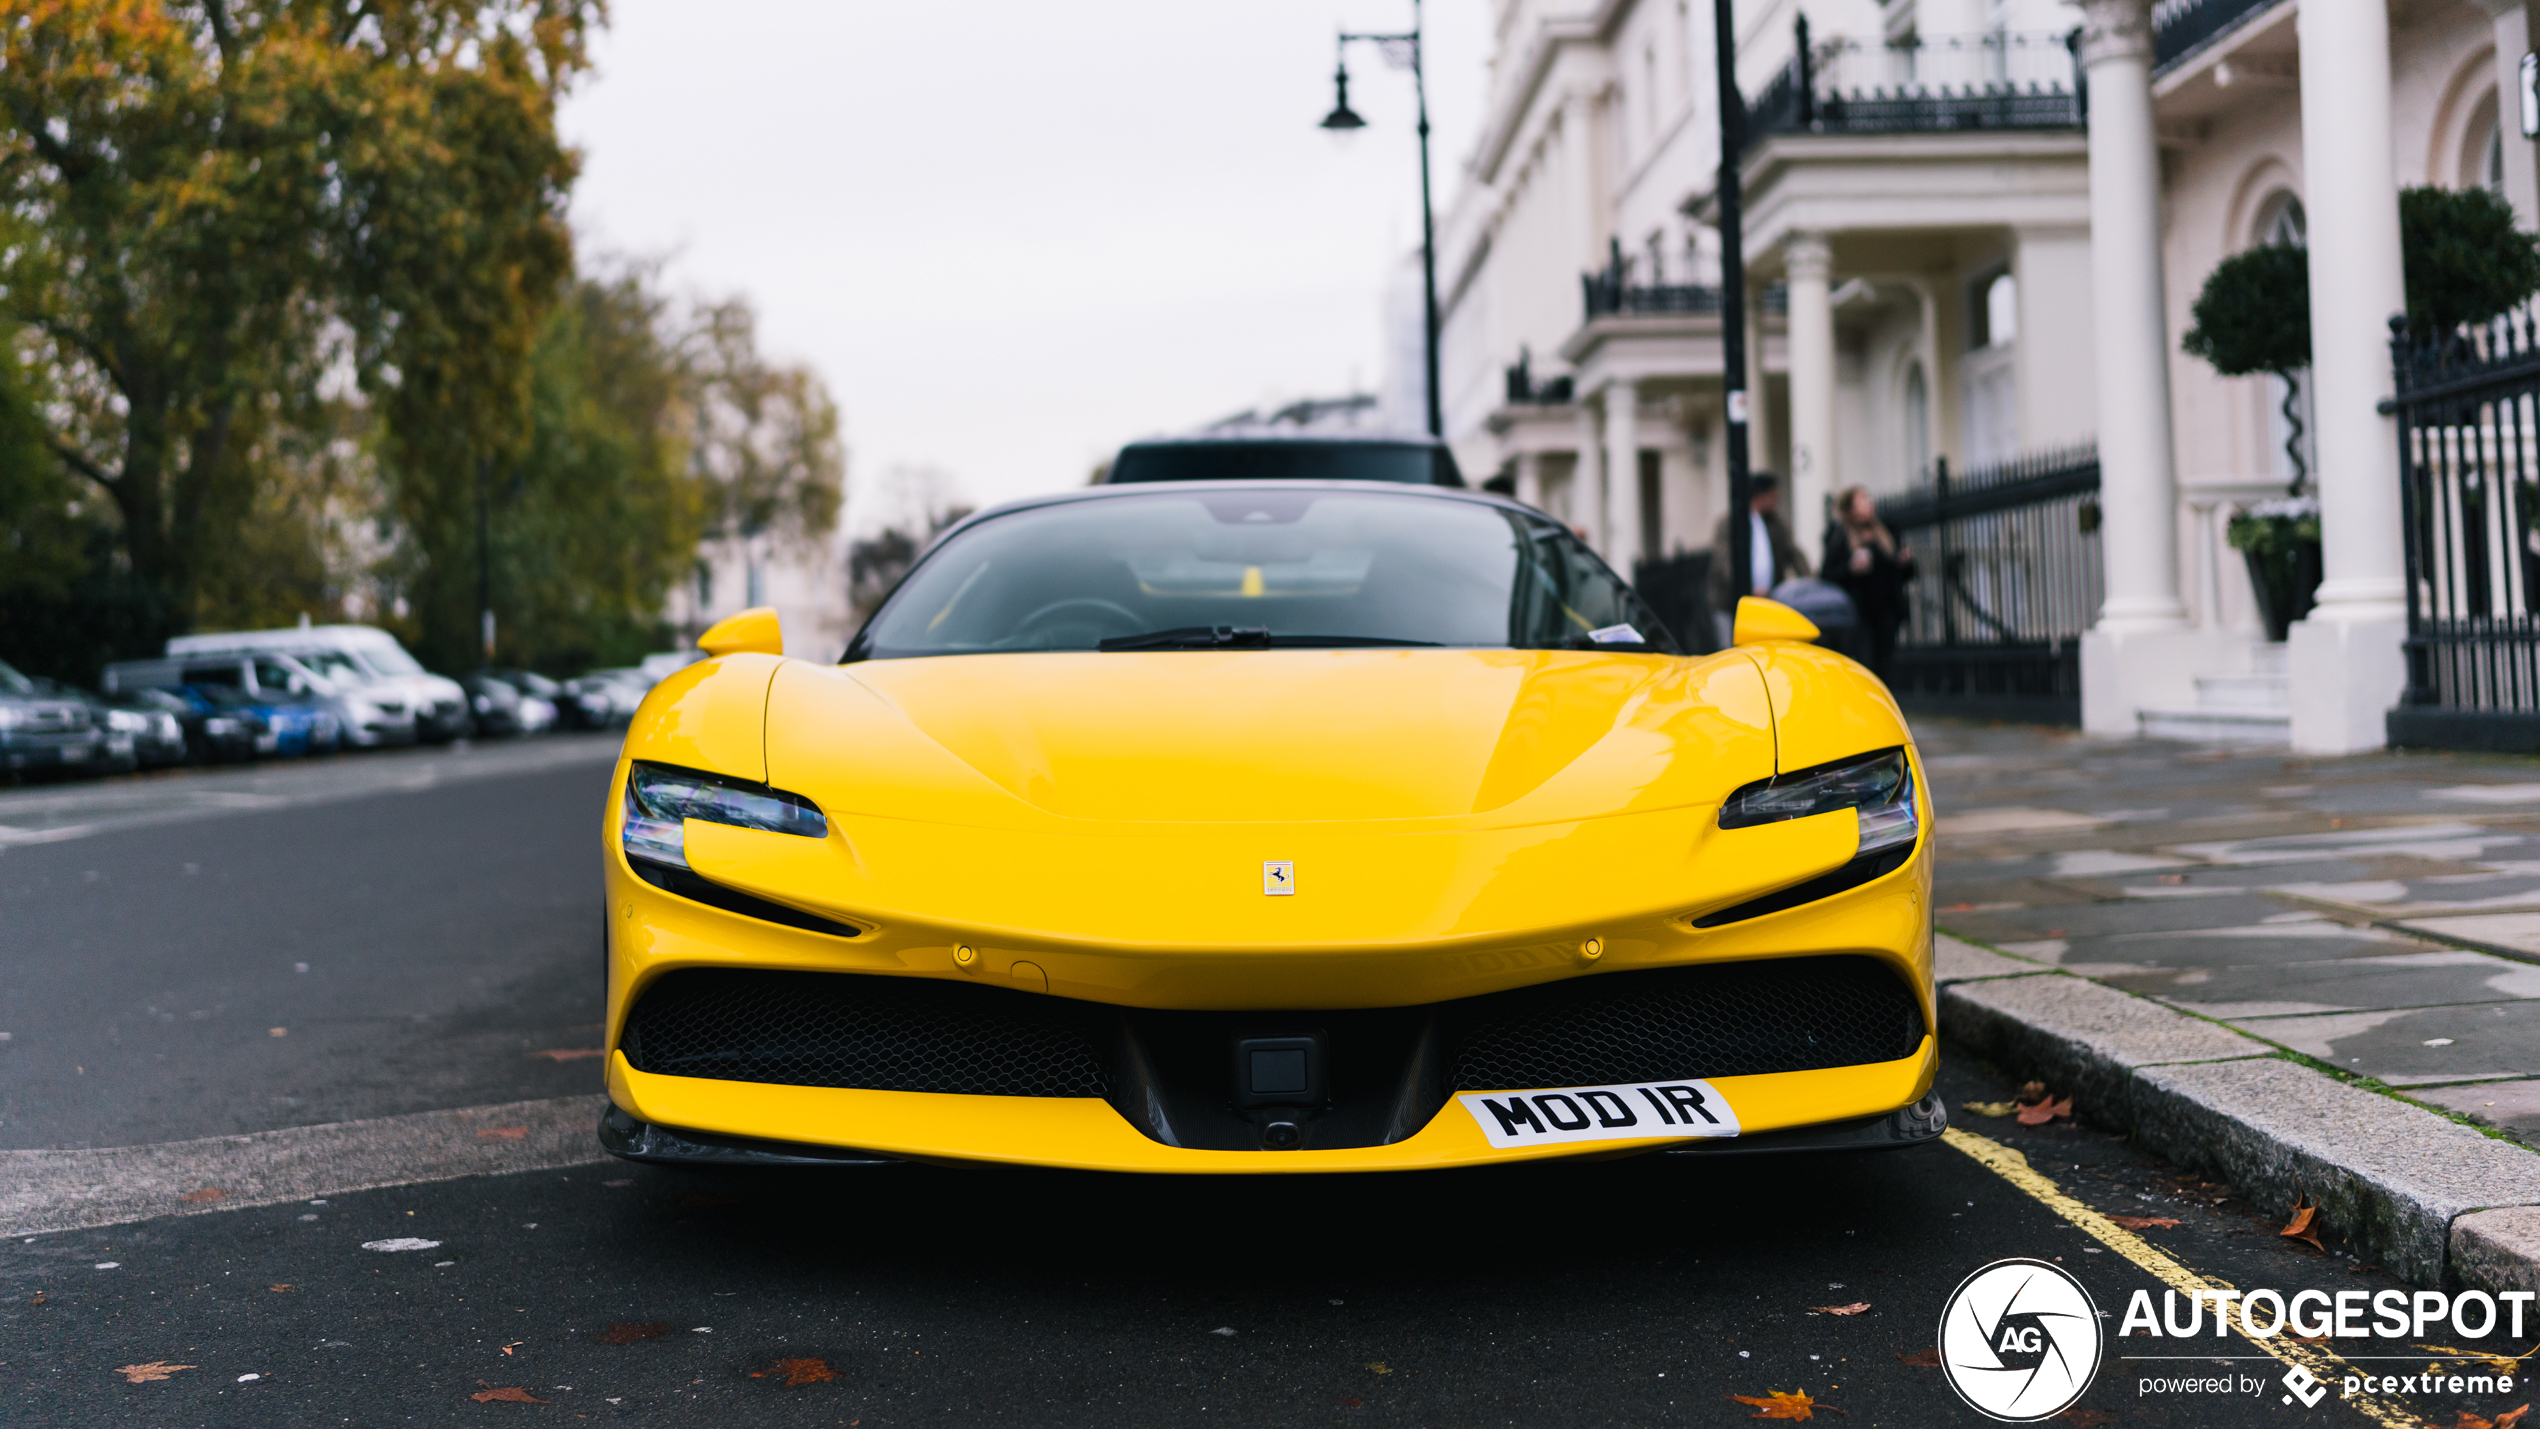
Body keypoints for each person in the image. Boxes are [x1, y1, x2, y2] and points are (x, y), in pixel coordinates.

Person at [1821, 484, 1915, 681]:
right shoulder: (1839, 536)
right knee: (1866, 662)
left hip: (1888, 610)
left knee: (1887, 663)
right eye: (1862, 500)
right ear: (1850, 509)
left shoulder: (1887, 530)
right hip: (1858, 612)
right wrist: (1850, 569)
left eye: (1868, 499)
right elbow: (1827, 575)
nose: (1869, 504)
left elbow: (1907, 573)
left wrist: (1905, 563)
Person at [1707, 472, 1810, 647]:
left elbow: (1793, 554)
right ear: (1761, 496)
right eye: (1774, 496)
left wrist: (1808, 582)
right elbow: (1723, 562)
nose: (1777, 501)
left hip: (1767, 603)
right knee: (1731, 653)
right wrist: (1747, 588)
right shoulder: (1729, 523)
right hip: (1730, 604)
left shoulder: (1776, 523)